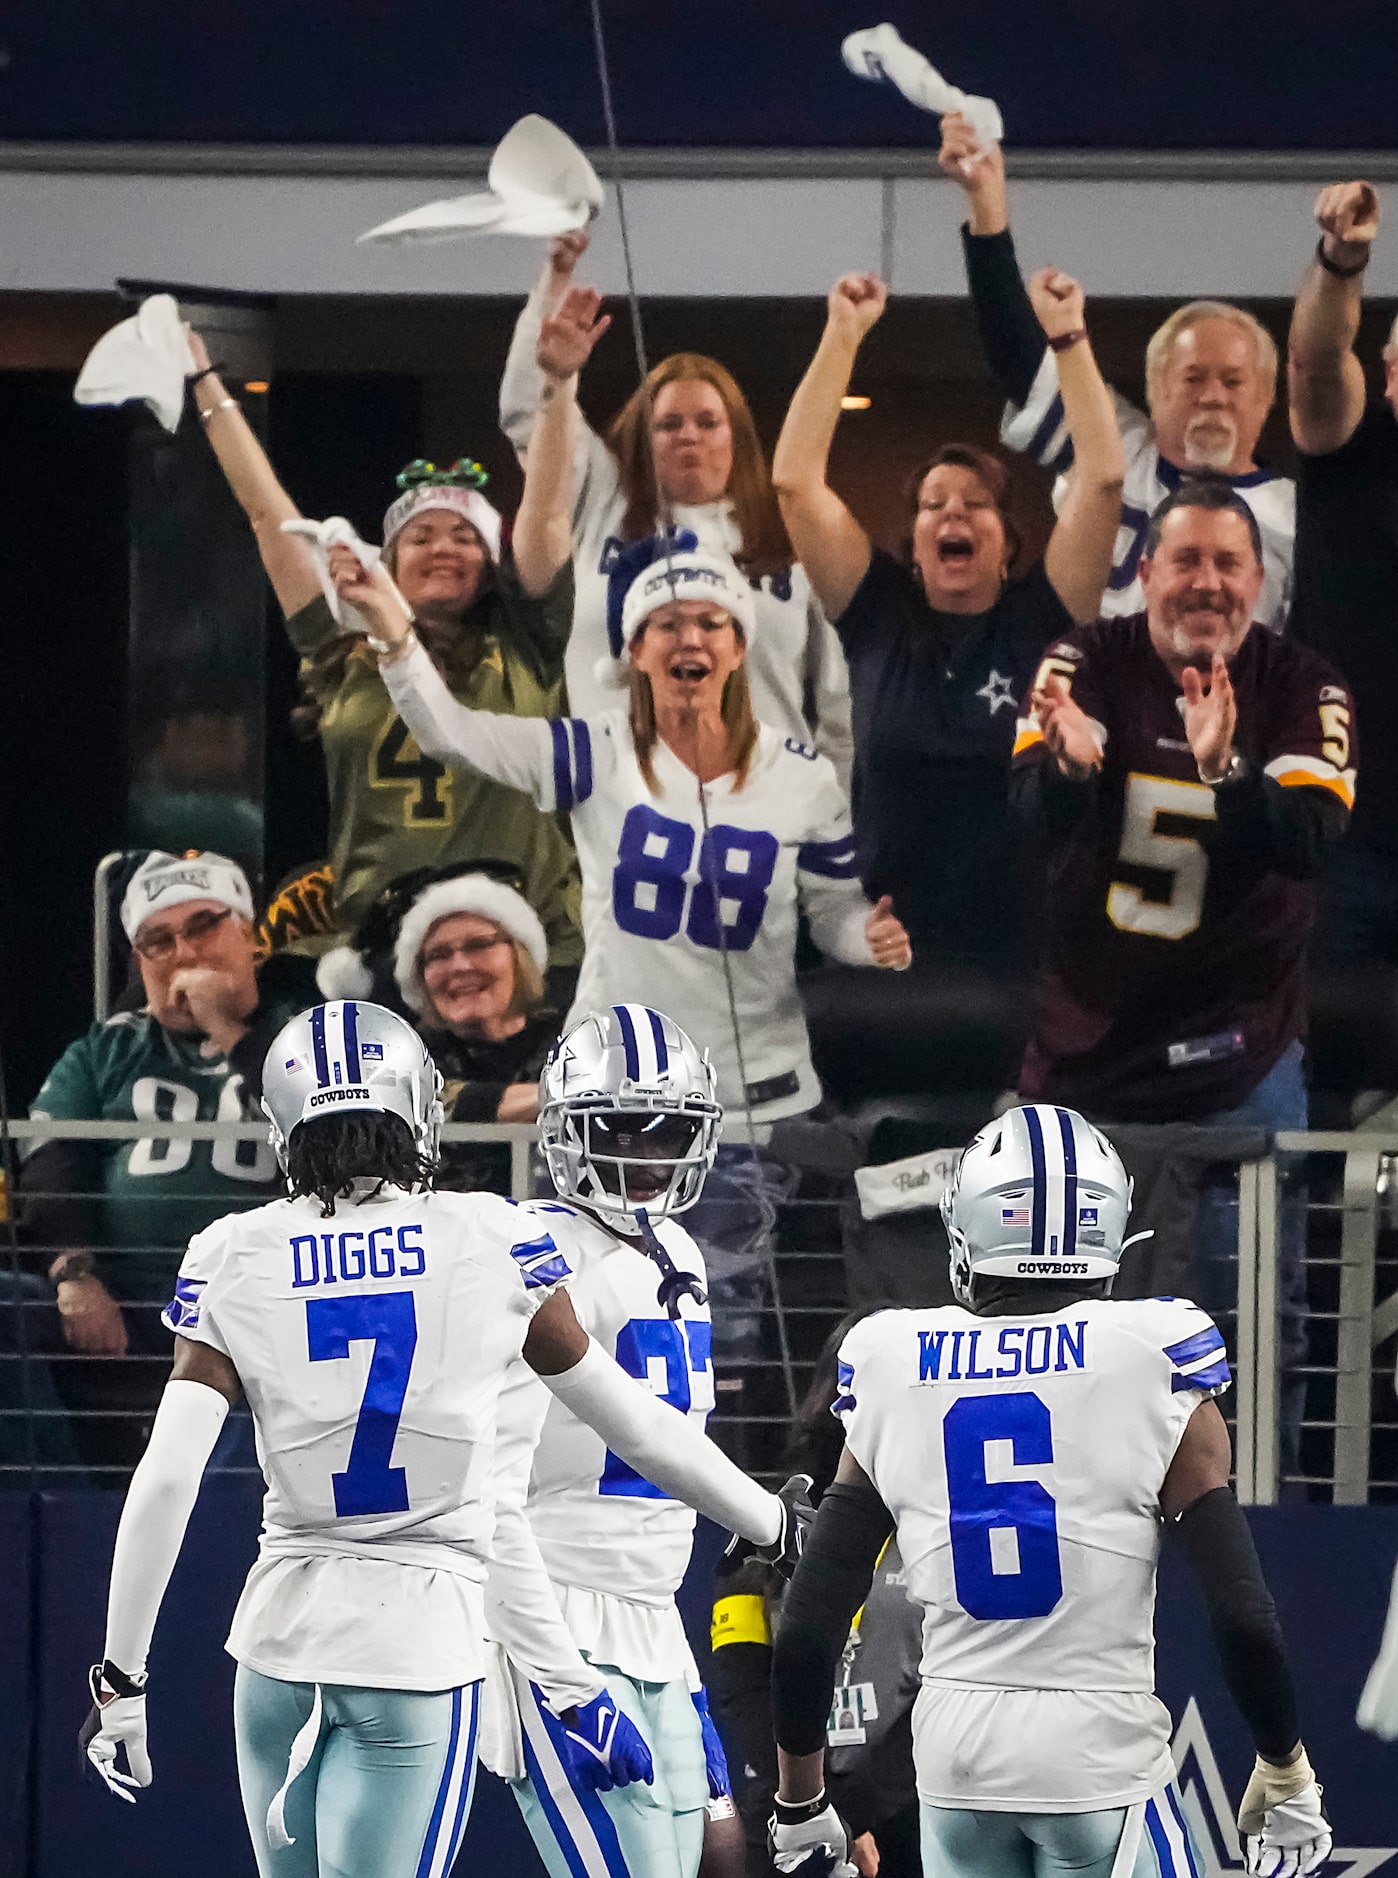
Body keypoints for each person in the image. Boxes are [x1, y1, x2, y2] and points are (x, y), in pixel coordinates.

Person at [79, 999, 800, 1878]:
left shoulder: (233, 1247)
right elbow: (637, 1427)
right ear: (420, 1105)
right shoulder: (488, 1235)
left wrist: (120, 1678)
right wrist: (775, 1525)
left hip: (273, 1641)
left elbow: (163, 1483)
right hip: (418, 1637)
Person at [323, 508, 911, 1386]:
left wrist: (864, 938)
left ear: (739, 644)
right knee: (592, 1331)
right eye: (667, 623)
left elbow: (828, 911)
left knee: (721, 1348)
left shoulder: (801, 776)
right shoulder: (596, 755)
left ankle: (718, 1519)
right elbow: (454, 731)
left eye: (710, 621)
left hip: (757, 1100)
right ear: (634, 649)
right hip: (613, 1094)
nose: (690, 637)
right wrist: (394, 629)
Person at [768, 1104, 1332, 1878]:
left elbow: (810, 1620)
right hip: (1097, 1759)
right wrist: (1285, 1764)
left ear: (967, 1225)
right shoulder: (1152, 1353)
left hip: (956, 1765)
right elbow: (1242, 1614)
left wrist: (800, 1801)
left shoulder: (890, 1357)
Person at [480, 1003, 793, 1878]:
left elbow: (669, 1439)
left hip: (655, 1614)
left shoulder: (681, 1252)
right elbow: (495, 1488)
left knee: (726, 1861)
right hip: (561, 1601)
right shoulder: (530, 1247)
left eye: (668, 1134)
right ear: (566, 1130)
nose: (645, 1156)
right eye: (620, 1128)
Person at [185, 329, 582, 965]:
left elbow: (551, 510)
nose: (444, 547)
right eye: (421, 535)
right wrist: (205, 385)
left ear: (492, 560)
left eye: (464, 536)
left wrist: (559, 386)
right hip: (383, 947)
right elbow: (265, 512)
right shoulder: (343, 648)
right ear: (388, 562)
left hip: (531, 948)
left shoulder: (530, 643)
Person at [771, 267, 1122, 967]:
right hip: (890, 947)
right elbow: (794, 482)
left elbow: (1105, 477)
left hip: (1024, 956)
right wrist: (841, 337)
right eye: (933, 504)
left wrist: (1069, 339)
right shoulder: (876, 613)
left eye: (976, 501)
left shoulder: (1044, 615)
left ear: (1007, 544)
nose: (953, 511)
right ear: (916, 545)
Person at [500, 232, 854, 784]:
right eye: (667, 425)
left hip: (766, 817)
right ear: (643, 437)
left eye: (708, 422)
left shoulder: (788, 536)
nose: (688, 437)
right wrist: (556, 285)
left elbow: (840, 698)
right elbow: (529, 414)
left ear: (737, 435)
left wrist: (831, 814)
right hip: (617, 810)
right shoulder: (600, 499)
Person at [940, 112, 1294, 630]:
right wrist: (987, 210)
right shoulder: (1120, 447)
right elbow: (1019, 362)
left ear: (1267, 399)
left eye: (1234, 381)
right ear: (1155, 390)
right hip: (1102, 705)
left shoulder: (1297, 518)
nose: (1213, 396)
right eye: (1193, 378)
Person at [20, 851, 310, 1470]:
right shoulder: (106, 1048)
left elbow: (338, 1134)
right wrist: (75, 1272)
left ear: (248, 933)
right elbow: (49, 1165)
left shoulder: (303, 1032)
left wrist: (232, 1036)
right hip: (128, 1291)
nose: (184, 951)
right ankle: (56, 1493)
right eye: (159, 940)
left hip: (278, 1291)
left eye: (204, 926)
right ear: (140, 962)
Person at [1287, 179, 1398, 964]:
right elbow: (1317, 358)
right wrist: (1342, 262)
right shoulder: (1354, 454)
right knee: (1323, 1066)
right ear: (1390, 378)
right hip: (1343, 834)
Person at [316, 862, 562, 1192]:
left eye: (479, 945)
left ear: (520, 955)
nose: (460, 966)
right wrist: (571, 1094)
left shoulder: (569, 1040)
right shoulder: (397, 1054)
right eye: (438, 955)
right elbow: (433, 1104)